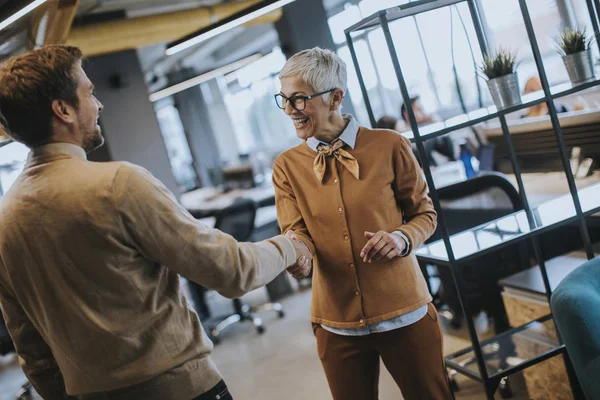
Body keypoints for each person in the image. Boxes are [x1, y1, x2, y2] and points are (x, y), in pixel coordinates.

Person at [0, 45, 312, 400]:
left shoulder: (5, 220)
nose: (99, 104)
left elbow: (31, 350)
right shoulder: (117, 185)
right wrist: (291, 244)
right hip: (180, 390)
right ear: (63, 110)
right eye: (89, 92)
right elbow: (230, 271)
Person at [272, 47, 452, 400]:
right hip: (335, 321)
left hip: (405, 313)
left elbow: (425, 214)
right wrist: (297, 253)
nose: (291, 110)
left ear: (336, 97)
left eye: (299, 99)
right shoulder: (286, 166)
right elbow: (297, 232)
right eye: (284, 99)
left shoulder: (390, 145)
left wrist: (401, 238)